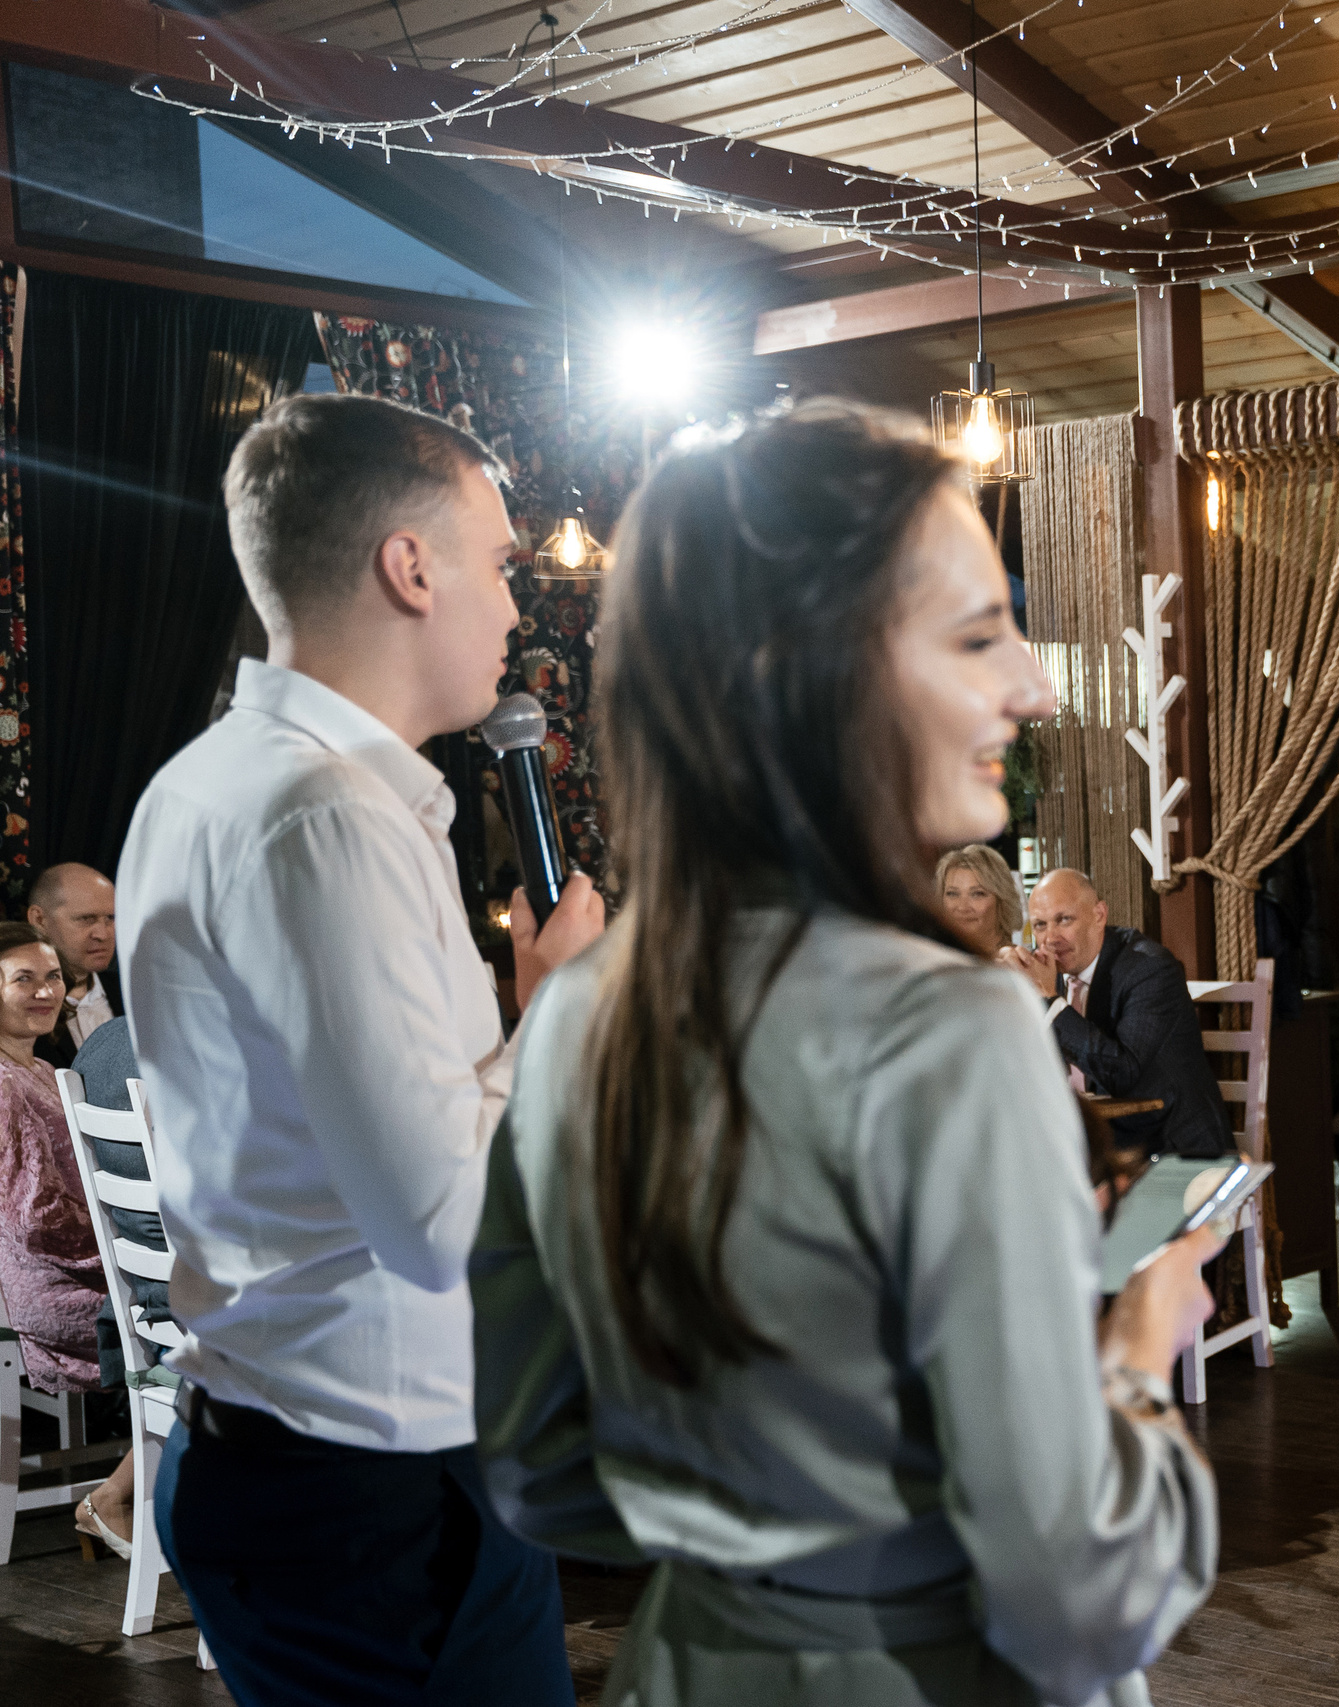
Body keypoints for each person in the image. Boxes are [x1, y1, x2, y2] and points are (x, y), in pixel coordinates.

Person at [473, 400, 1224, 1707]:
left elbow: (535, 1459)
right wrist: (1136, 1368)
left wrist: (758, 1528)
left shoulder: (579, 1012)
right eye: (980, 632)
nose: (1033, 684)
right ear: (824, 666)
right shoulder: (959, 1025)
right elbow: (1079, 1595)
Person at [118, 392, 605, 1704]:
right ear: (410, 565)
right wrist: (556, 1012)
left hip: (276, 1432)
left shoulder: (202, 780)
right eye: (502, 564)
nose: (515, 608)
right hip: (377, 1482)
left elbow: (368, 1126)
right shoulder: (326, 819)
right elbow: (441, 1220)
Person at [0, 925, 145, 1560]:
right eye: (22, 979)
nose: (44, 991)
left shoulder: (47, 1071)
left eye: (52, 977)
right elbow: (36, 1220)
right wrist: (124, 1239)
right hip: (52, 1282)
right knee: (211, 1329)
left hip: (86, 1263)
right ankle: (115, 1497)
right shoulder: (2, 1083)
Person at [999, 869, 1231, 1160]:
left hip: (1171, 1149)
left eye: (1064, 920)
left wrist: (1047, 1000)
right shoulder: (1049, 973)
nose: (1051, 938)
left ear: (1099, 915)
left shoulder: (1149, 969)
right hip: (1097, 1147)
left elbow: (1121, 1074)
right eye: (1040, 925)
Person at [26, 862, 119, 1058]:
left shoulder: (137, 992)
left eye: (110, 918)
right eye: (86, 919)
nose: (103, 934)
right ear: (39, 920)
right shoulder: (15, 1008)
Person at [937, 842, 1025, 957]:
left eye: (977, 894)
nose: (962, 907)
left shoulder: (1022, 967)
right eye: (952, 894)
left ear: (1002, 901)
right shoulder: (935, 964)